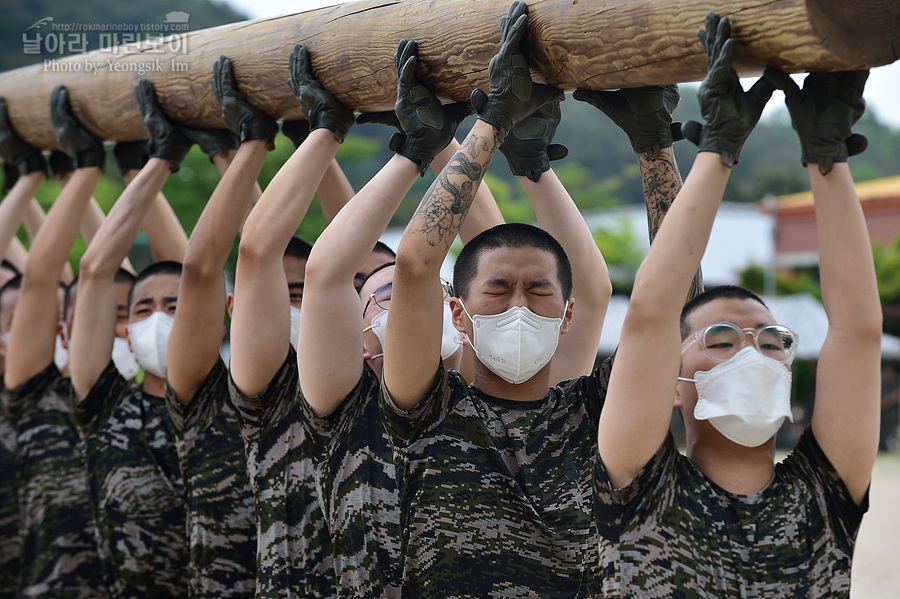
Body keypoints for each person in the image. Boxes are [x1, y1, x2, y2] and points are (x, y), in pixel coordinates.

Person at [593, 13, 880, 596]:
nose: (752, 353)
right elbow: (651, 311)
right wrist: (718, 150)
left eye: (773, 341)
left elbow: (858, 330)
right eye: (720, 340)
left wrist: (827, 156)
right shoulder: (637, 489)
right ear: (674, 383)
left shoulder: (822, 499)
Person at [379, 3, 610, 595]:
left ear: (566, 317)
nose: (519, 307)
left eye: (539, 293)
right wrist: (491, 123)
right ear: (456, 311)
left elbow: (600, 289)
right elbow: (413, 266)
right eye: (498, 291)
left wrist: (531, 164)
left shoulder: (586, 412)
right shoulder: (425, 409)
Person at [294, 38, 501, 597]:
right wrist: (413, 151)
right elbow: (330, 272)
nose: (413, 300)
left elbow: (493, 252)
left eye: (433, 291)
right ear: (360, 336)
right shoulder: (341, 410)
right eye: (383, 299)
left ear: (456, 311)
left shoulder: (501, 388)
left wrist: (448, 143)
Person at [226, 43, 357, 598]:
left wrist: (317, 137)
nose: (284, 305)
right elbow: (256, 251)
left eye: (299, 292)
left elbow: (356, 254)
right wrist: (321, 132)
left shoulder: (381, 384)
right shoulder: (267, 396)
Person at [68, 79, 193, 596]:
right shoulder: (104, 405)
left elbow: (196, 272)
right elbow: (96, 269)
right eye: (143, 308)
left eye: (174, 308)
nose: (158, 318)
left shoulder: (229, 401)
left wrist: (150, 165)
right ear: (125, 326)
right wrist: (151, 165)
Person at [163, 54, 275, 599]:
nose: (286, 303)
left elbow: (348, 271)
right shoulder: (216, 403)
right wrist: (243, 149)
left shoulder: (342, 399)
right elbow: (213, 267)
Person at [2, 85, 107, 596]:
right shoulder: (29, 393)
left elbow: (85, 275)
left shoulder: (111, 383)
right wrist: (36, 179)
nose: (20, 325)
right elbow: (44, 277)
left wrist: (58, 178)